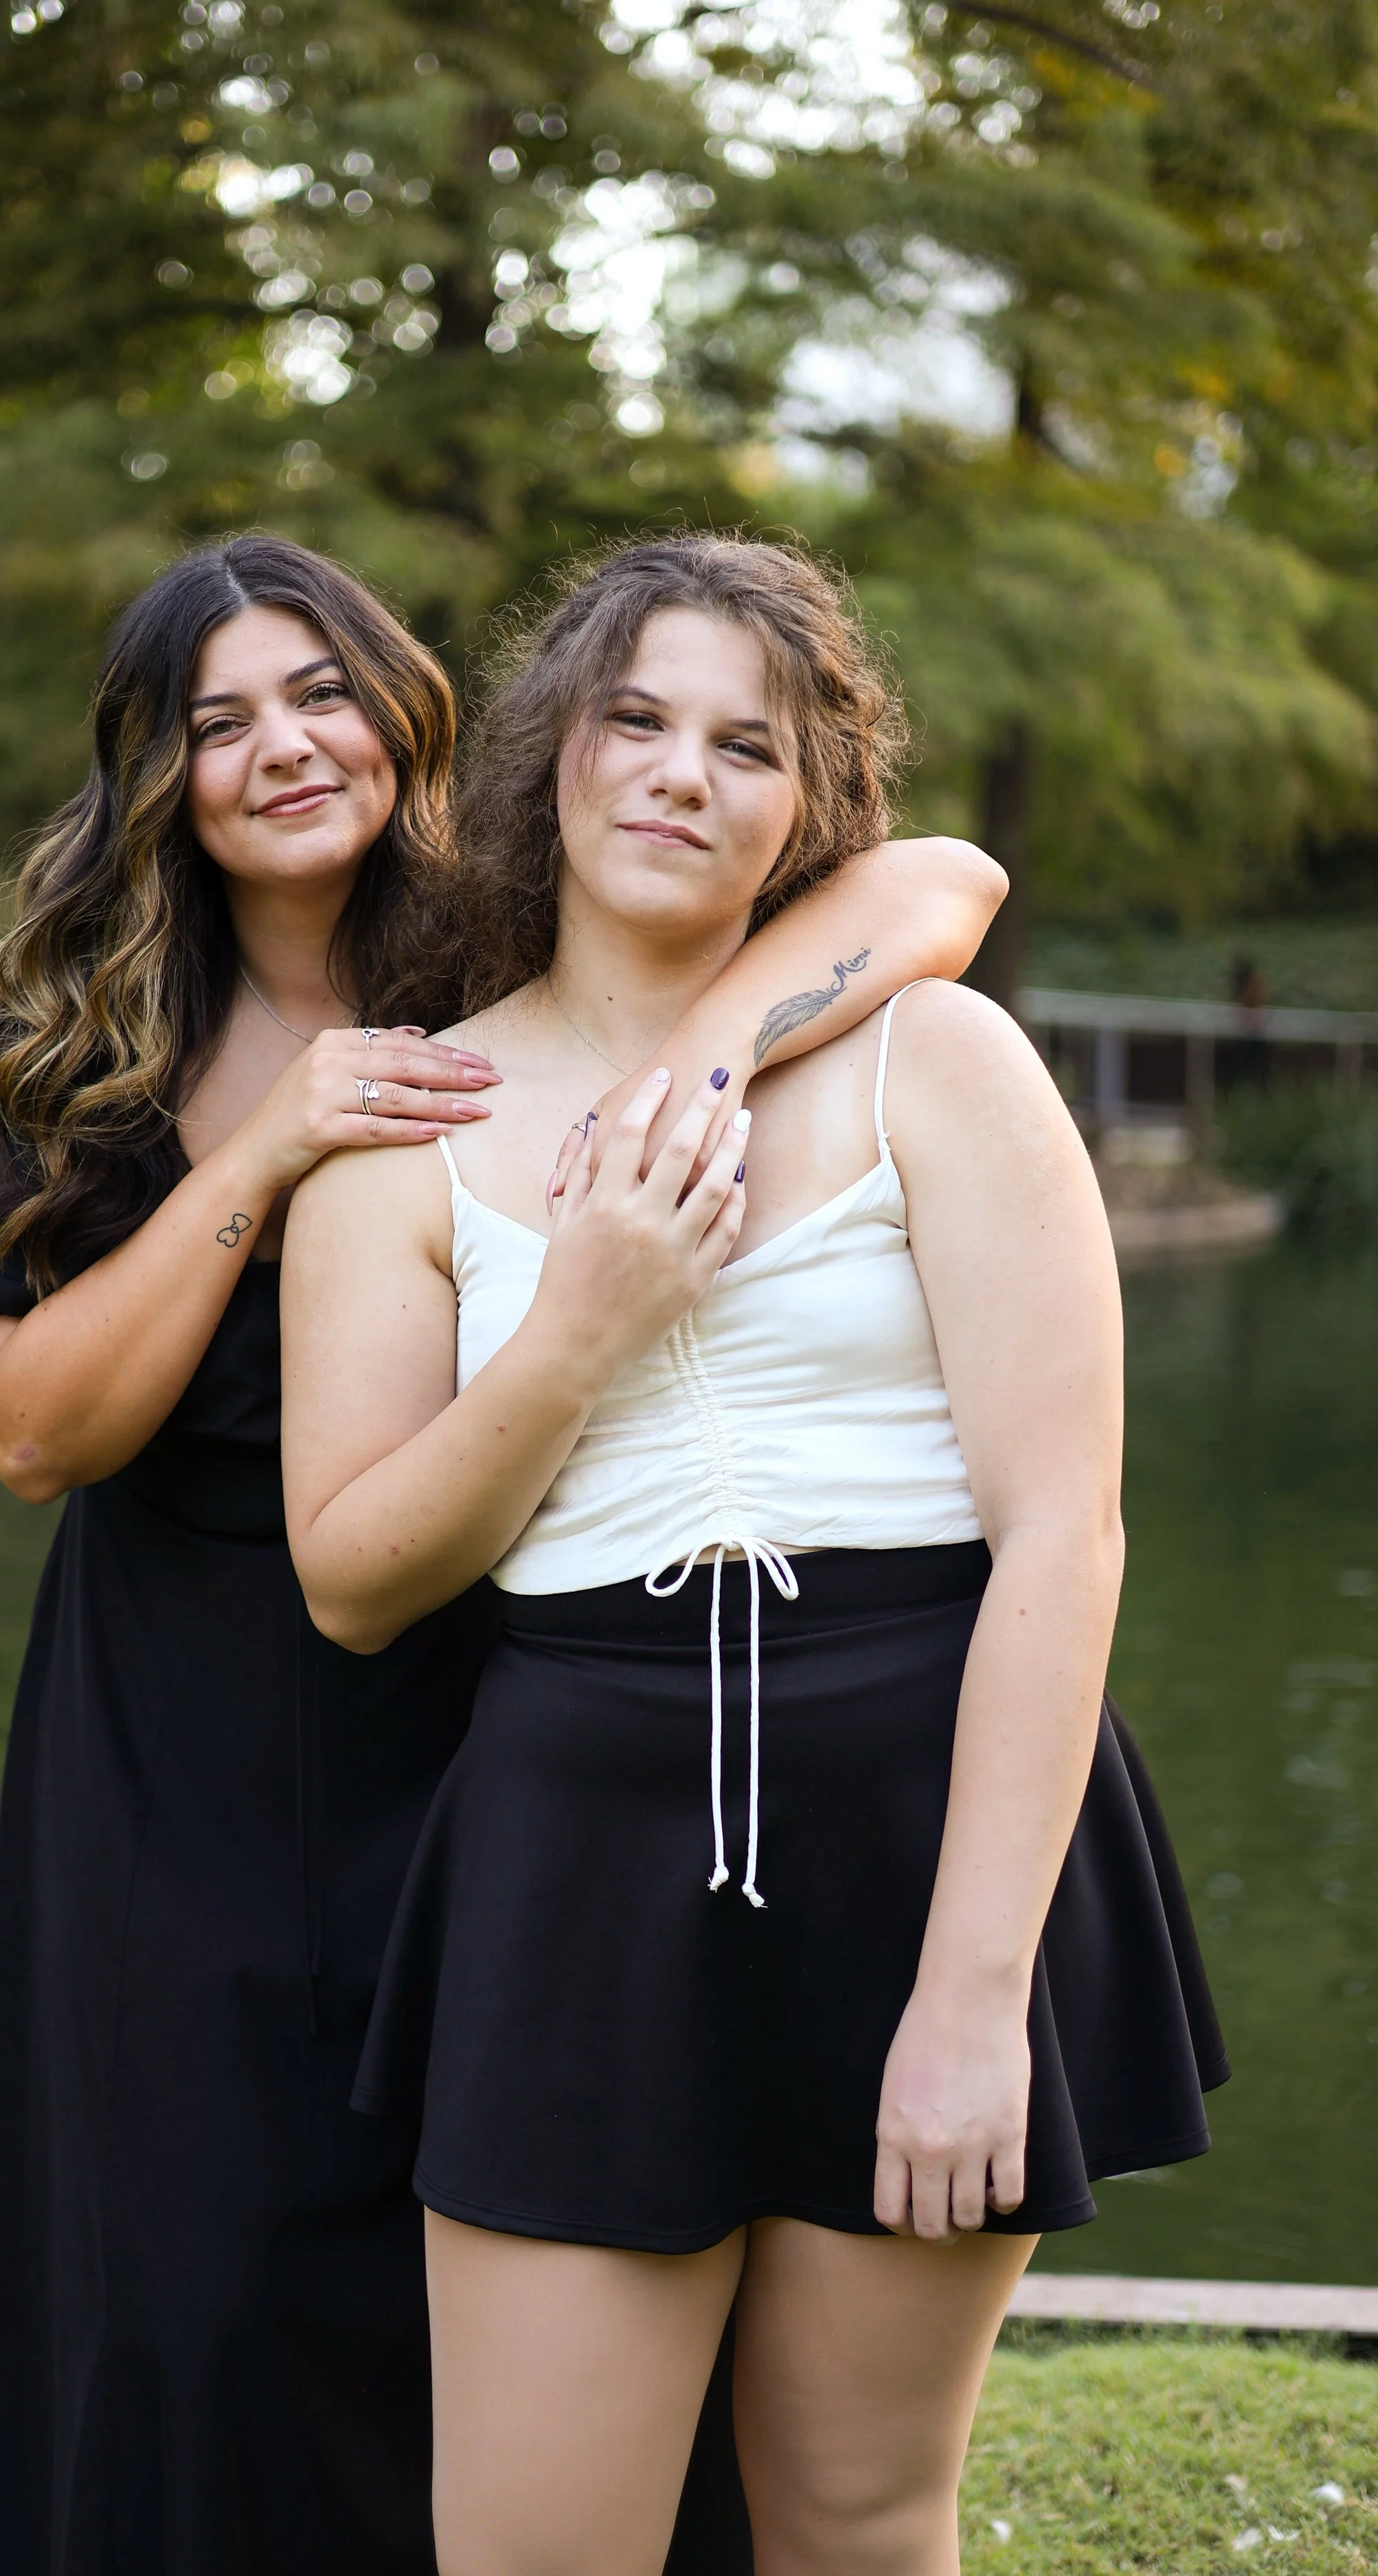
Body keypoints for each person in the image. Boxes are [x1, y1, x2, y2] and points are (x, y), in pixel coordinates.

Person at [0, 530, 1004, 2576]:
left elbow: (938, 884)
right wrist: (276, 1142)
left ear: (405, 709)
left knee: (531, 2266)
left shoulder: (504, 922)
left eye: (322, 691)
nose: (284, 746)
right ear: (153, 772)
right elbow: (36, 1431)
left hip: (511, 1706)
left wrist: (700, 1063)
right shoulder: (62, 1035)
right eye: (220, 720)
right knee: (196, 2270)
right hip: (191, 1732)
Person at [282, 534, 1228, 2576]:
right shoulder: (416, 1134)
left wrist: (973, 1995)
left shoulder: (935, 1064)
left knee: (861, 2519)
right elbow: (351, 1576)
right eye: (634, 718)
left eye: (747, 745)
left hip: (928, 1832)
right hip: (576, 1855)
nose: (679, 774)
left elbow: (1061, 1534)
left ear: (812, 805)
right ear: (550, 750)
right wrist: (581, 1322)